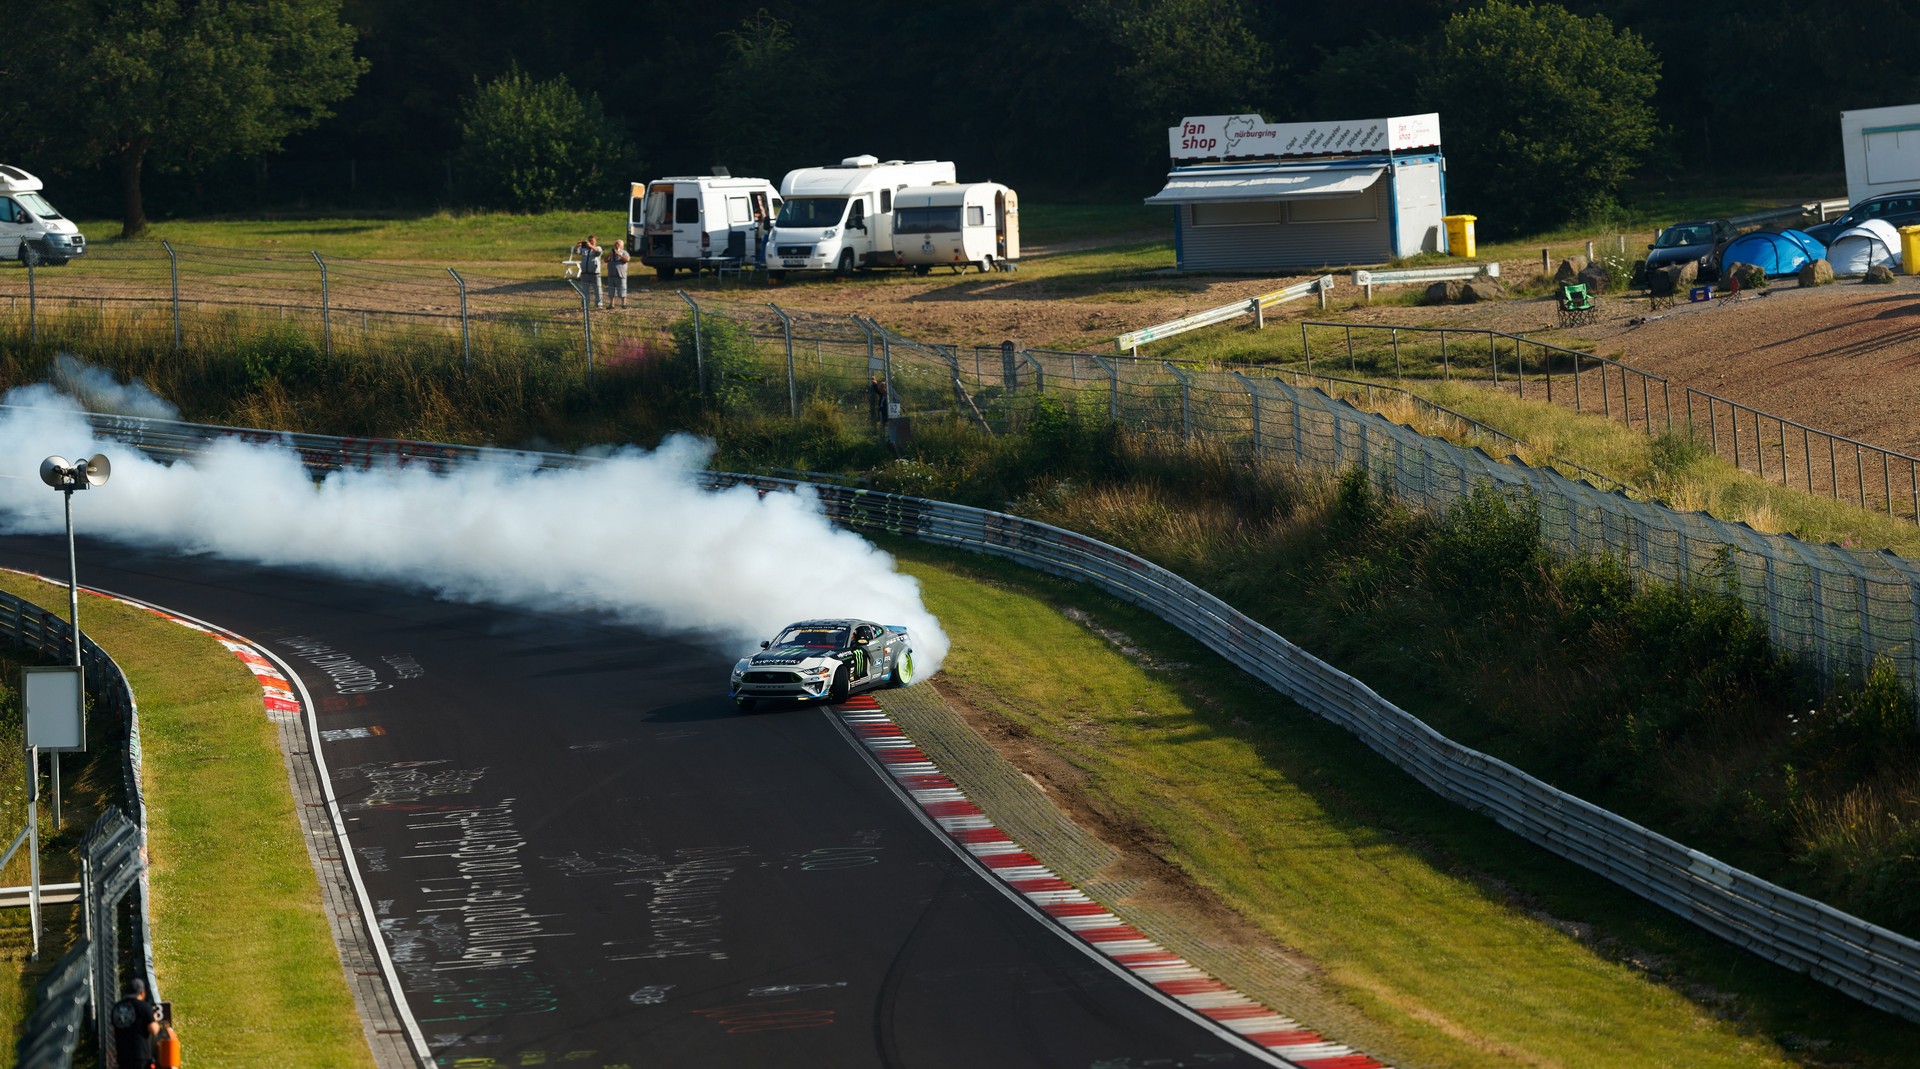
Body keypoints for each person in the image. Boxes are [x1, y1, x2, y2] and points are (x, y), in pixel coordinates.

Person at [112, 977, 162, 1069]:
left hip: (123, 1056)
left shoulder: (117, 1008)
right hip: (141, 1056)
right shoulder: (145, 1007)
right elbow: (154, 1030)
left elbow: (114, 1031)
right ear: (142, 993)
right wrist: (155, 1020)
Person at [576, 235, 604, 309]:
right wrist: (577, 246)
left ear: (595, 241)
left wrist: (590, 246)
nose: (590, 242)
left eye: (592, 241)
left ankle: (599, 304)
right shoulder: (584, 249)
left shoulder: (598, 248)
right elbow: (577, 252)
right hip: (585, 273)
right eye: (589, 241)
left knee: (597, 289)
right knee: (585, 290)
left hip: (595, 273)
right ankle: (585, 305)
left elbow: (598, 251)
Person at [607, 239, 631, 308]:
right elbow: (605, 260)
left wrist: (619, 254)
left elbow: (627, 259)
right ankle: (611, 304)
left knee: (622, 289)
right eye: (616, 244)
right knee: (611, 290)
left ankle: (623, 304)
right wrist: (610, 254)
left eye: (618, 244)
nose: (616, 246)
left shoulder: (624, 252)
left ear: (622, 246)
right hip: (611, 274)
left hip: (621, 274)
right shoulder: (612, 253)